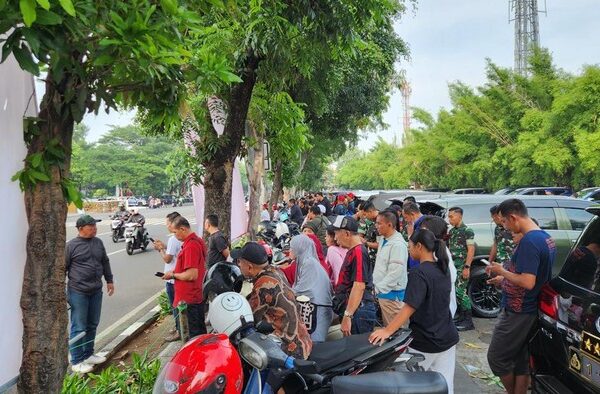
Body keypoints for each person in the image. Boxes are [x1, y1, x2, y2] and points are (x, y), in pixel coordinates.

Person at [370, 229, 459, 394]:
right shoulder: (444, 268)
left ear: (419, 246)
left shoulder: (419, 273)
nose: (409, 250)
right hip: (447, 337)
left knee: (414, 387)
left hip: (425, 341)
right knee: (445, 386)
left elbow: (409, 307)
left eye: (410, 246)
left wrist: (388, 330)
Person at [486, 199, 556, 394]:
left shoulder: (529, 241)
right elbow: (531, 275)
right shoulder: (545, 237)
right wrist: (504, 280)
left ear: (513, 217)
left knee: (497, 357)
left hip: (519, 310)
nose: (506, 229)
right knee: (520, 359)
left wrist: (502, 271)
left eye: (505, 223)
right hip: (528, 307)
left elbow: (527, 282)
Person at [236, 242, 313, 359]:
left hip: (289, 348)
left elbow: (249, 318)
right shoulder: (276, 271)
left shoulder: (264, 286)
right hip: (302, 339)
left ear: (250, 267)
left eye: (239, 262)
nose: (239, 265)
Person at [66, 215, 115, 373]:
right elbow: (62, 269)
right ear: (81, 229)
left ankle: (88, 354)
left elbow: (105, 261)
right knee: (79, 326)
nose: (94, 228)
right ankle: (77, 360)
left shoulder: (98, 242)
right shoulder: (71, 246)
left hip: (95, 290)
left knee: (92, 324)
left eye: (95, 225)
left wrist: (109, 280)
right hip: (78, 291)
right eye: (91, 226)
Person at [162, 216, 208, 338]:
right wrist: (175, 271)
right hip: (193, 295)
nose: (174, 236)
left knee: (194, 335)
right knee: (198, 332)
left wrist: (173, 275)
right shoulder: (196, 241)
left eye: (175, 232)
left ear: (182, 229)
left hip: (190, 298)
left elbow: (192, 275)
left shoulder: (191, 246)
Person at [331, 216, 376, 335]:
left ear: (346, 233)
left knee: (357, 350)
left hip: (358, 312)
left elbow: (359, 285)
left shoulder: (358, 251)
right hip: (356, 311)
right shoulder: (354, 250)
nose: (335, 238)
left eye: (336, 234)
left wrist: (348, 315)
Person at [290, 234, 333, 342]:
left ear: (299, 248)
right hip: (316, 307)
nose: (290, 251)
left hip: (319, 308)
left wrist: (286, 293)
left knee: (315, 343)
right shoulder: (305, 262)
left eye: (292, 247)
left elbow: (302, 289)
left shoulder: (309, 263)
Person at [373, 210, 408, 326]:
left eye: (379, 223)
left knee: (395, 330)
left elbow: (395, 273)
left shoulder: (397, 244)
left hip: (391, 295)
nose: (376, 226)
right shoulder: (384, 239)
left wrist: (378, 288)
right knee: (389, 327)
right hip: (383, 293)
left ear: (389, 225)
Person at [152, 211, 183, 342]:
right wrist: (164, 246)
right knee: (177, 305)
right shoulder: (181, 237)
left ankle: (179, 330)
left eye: (167, 223)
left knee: (175, 305)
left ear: (172, 223)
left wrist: (160, 249)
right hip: (179, 276)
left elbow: (167, 259)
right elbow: (175, 251)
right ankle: (178, 328)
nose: (167, 226)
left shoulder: (173, 238)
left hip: (172, 279)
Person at [420, 215, 458, 318]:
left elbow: (451, 277)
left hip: (441, 312)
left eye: (422, 230)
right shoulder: (435, 249)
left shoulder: (438, 252)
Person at [448, 206, 476, 331]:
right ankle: (462, 317)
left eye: (451, 216)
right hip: (453, 266)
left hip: (462, 266)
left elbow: (471, 249)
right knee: (455, 291)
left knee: (460, 292)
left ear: (459, 216)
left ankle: (469, 321)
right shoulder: (452, 231)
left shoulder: (467, 230)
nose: (449, 219)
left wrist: (467, 267)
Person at [402, 201, 424, 269]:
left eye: (406, 217)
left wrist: (410, 235)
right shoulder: (416, 224)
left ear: (412, 214)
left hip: (420, 265)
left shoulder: (423, 225)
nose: (405, 220)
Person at [359, 201, 379, 266]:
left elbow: (380, 244)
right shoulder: (373, 220)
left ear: (370, 211)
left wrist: (365, 243)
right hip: (371, 257)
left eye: (365, 214)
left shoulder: (380, 222)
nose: (365, 217)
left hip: (377, 259)